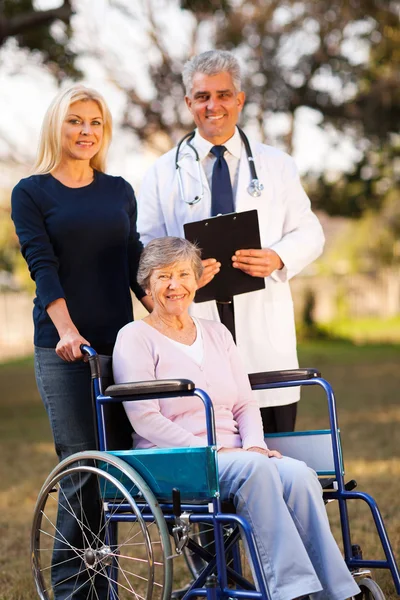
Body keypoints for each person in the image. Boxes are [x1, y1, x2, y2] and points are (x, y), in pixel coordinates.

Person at [112, 237, 360, 600]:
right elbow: (144, 419)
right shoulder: (134, 337)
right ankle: (290, 591)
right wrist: (211, 451)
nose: (173, 285)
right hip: (174, 459)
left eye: (183, 274)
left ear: (197, 280)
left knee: (299, 475)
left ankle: (336, 592)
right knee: (255, 470)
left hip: (237, 455)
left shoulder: (216, 333)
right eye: (162, 276)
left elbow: (244, 403)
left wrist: (256, 445)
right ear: (146, 285)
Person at [137, 50, 325, 434]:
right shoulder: (161, 173)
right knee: (213, 438)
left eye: (223, 95)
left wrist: (276, 257)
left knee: (274, 447)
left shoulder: (277, 165)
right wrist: (180, 274)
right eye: (203, 97)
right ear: (189, 102)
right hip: (196, 318)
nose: (213, 106)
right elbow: (147, 245)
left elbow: (310, 233)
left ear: (239, 99)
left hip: (262, 322)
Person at [11, 84, 148, 599]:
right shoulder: (31, 192)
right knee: (82, 469)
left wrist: (166, 307)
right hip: (65, 350)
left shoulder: (118, 191)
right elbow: (42, 268)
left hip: (125, 347)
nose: (85, 131)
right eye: (75, 121)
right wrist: (68, 331)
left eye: (95, 122)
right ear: (57, 126)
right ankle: (73, 590)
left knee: (113, 473)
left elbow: (133, 261)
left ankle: (104, 586)